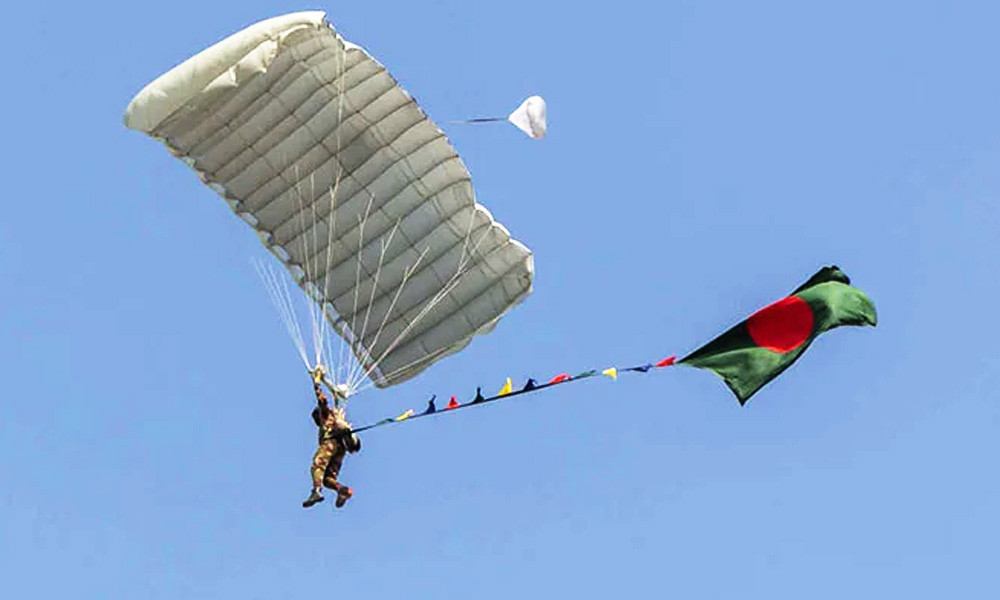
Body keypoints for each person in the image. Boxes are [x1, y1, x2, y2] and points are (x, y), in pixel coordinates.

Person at [302, 370, 361, 509]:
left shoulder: (326, 415)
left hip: (331, 443)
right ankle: (341, 490)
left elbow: (322, 400)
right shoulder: (336, 415)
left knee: (318, 465)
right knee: (328, 479)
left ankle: (316, 491)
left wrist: (316, 383)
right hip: (341, 448)